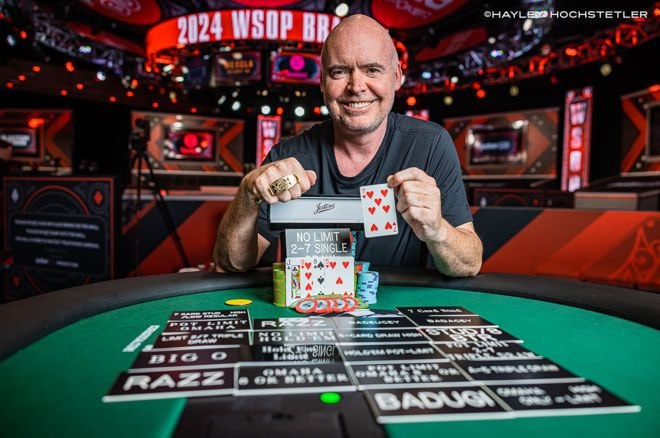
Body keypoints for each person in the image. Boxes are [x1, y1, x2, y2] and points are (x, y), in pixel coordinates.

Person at [214, 14, 482, 277]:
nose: (356, 87)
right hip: (309, 303)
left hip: (400, 304)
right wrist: (247, 195)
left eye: (372, 70)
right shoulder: (288, 155)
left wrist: (437, 230)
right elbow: (231, 264)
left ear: (396, 77)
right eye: (339, 72)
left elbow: (469, 263)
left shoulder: (430, 145)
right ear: (322, 82)